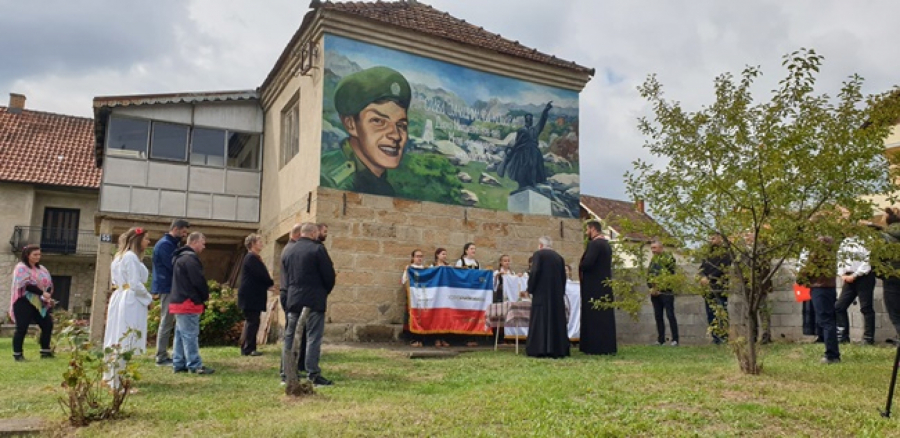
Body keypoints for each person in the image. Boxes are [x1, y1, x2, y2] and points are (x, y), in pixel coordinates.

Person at [321, 66, 412, 196]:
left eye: (401, 125)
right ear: (351, 124)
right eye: (379, 121)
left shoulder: (381, 185)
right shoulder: (331, 182)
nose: (396, 135)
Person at [282, 223, 336, 387]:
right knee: (313, 337)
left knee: (289, 337)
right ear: (313, 233)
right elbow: (329, 275)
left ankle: (286, 373)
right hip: (313, 299)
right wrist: (323, 291)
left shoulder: (288, 250)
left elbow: (287, 275)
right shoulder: (317, 249)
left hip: (293, 299)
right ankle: (312, 373)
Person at [169, 232, 214, 374]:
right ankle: (194, 365)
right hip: (188, 301)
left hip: (178, 300)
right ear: (194, 242)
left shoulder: (179, 258)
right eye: (202, 243)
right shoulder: (190, 259)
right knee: (190, 335)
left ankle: (178, 362)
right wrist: (205, 295)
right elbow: (198, 281)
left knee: (180, 334)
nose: (204, 246)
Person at [104, 227, 153, 353]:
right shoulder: (131, 257)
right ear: (138, 240)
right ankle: (125, 356)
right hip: (131, 298)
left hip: (119, 295)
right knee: (128, 329)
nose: (148, 242)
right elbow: (135, 283)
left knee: (117, 329)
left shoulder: (119, 257)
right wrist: (148, 298)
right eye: (146, 239)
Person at [151, 219, 190, 366]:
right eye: (184, 232)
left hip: (171, 286)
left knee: (172, 321)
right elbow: (173, 265)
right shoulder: (165, 245)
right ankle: (160, 356)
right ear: (176, 229)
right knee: (166, 321)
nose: (185, 235)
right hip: (167, 287)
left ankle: (174, 354)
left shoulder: (171, 244)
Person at [797, 235, 839, 364]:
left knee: (826, 321)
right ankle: (833, 353)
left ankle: (831, 355)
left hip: (819, 287)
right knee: (829, 320)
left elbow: (807, 270)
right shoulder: (832, 251)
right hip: (829, 287)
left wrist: (800, 279)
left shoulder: (818, 252)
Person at [525, 236, 570, 358]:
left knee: (541, 320)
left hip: (541, 293)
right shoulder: (559, 258)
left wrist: (530, 288)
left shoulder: (539, 255)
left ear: (540, 245)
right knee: (555, 320)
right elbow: (563, 277)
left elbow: (534, 272)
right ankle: (557, 349)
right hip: (556, 295)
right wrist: (561, 292)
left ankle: (539, 348)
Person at [9, 245, 54, 361]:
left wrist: (47, 293)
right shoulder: (21, 268)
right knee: (22, 328)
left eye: (39, 254)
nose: (38, 257)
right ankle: (18, 354)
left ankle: (45, 351)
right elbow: (25, 285)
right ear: (27, 255)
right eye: (35, 254)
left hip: (40, 303)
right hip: (23, 302)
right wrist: (41, 292)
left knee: (47, 324)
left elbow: (49, 283)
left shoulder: (42, 269)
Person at [579, 220, 617, 355]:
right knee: (604, 316)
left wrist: (581, 265)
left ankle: (594, 346)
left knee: (594, 316)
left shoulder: (595, 244)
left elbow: (588, 263)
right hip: (605, 284)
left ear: (593, 229)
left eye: (587, 230)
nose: (586, 233)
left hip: (594, 286)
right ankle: (607, 346)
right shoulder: (606, 245)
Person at [499, 102, 553, 190]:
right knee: (523, 169)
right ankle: (523, 184)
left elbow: (542, 122)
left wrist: (546, 110)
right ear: (526, 120)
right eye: (528, 119)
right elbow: (518, 142)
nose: (530, 120)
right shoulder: (522, 130)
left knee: (534, 167)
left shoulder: (535, 129)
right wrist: (512, 150)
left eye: (531, 119)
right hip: (523, 153)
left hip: (534, 152)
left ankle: (533, 183)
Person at [238, 233, 274, 357]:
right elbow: (261, 275)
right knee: (252, 321)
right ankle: (248, 348)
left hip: (253, 295)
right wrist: (269, 283)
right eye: (259, 241)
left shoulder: (254, 258)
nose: (261, 243)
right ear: (252, 244)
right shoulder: (251, 258)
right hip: (250, 296)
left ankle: (250, 346)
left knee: (253, 321)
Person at [834, 235, 875, 345]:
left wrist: (856, 274)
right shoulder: (845, 241)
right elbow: (840, 259)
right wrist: (842, 274)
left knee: (866, 308)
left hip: (864, 277)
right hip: (848, 277)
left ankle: (868, 338)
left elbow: (867, 261)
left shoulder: (867, 239)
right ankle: (843, 337)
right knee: (839, 306)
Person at [279, 224, 308, 383]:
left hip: (288, 293)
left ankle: (289, 368)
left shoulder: (288, 249)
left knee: (293, 333)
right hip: (290, 293)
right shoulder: (291, 250)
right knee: (291, 334)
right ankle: (287, 371)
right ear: (298, 235)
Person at [699, 233, 732, 344]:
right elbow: (702, 268)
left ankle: (724, 337)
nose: (710, 240)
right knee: (710, 314)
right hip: (708, 289)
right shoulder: (708, 254)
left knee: (721, 313)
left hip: (719, 288)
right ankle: (715, 338)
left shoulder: (725, 253)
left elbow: (722, 269)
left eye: (713, 238)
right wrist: (703, 276)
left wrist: (709, 278)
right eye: (709, 238)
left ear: (720, 239)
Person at [648, 240, 679, 346]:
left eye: (655, 248)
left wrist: (659, 287)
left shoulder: (668, 258)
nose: (653, 250)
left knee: (670, 315)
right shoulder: (653, 261)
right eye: (652, 248)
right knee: (658, 316)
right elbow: (649, 276)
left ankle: (675, 339)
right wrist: (651, 288)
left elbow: (669, 275)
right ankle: (661, 339)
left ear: (661, 248)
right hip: (655, 293)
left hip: (666, 291)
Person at [876, 208, 900, 338]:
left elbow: (876, 258)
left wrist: (882, 274)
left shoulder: (884, 236)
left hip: (891, 276)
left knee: (895, 313)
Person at [402, 249, 427, 347]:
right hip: (413, 297)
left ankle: (420, 339)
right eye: (417, 256)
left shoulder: (425, 269)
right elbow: (404, 281)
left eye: (421, 256)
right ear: (413, 257)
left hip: (423, 297)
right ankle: (413, 339)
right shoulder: (409, 269)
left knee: (422, 318)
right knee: (412, 318)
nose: (419, 258)